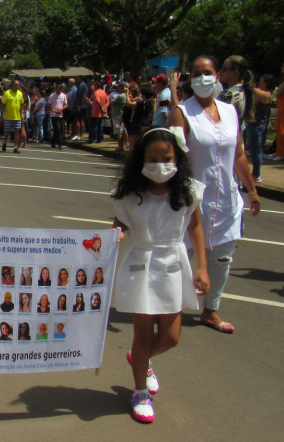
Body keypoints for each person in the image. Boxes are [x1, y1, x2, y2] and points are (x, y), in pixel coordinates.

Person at [111, 127, 210, 423]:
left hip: (173, 263)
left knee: (171, 336)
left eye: (166, 158)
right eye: (151, 158)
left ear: (177, 157)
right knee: (142, 334)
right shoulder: (129, 195)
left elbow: (195, 226)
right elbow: (120, 224)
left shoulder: (188, 191)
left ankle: (141, 359)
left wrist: (202, 266)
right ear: (140, 159)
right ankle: (140, 389)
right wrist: (114, 235)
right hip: (141, 263)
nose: (159, 164)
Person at [169, 56, 261, 334]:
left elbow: (239, 154)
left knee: (222, 259)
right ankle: (168, 309)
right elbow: (173, 158)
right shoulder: (182, 113)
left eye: (207, 72)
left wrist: (252, 190)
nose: (202, 78)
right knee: (179, 257)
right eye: (196, 74)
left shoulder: (230, 111)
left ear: (217, 75)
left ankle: (210, 309)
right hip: (192, 200)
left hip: (227, 199)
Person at [245, 74, 275, 183]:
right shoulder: (262, 94)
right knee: (254, 150)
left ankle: (256, 175)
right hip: (255, 125)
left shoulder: (266, 94)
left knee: (255, 151)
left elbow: (252, 89)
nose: (259, 82)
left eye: (261, 80)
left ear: (266, 83)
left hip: (257, 126)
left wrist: (247, 82)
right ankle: (255, 173)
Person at [1, 80, 26, 153]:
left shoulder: (20, 94)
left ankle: (15, 147)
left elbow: (22, 104)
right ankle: (5, 142)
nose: (17, 86)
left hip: (17, 116)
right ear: (12, 85)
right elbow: (3, 105)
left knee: (17, 131)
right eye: (16, 85)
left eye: (18, 85)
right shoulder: (7, 93)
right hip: (9, 116)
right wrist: (3, 114)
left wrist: (22, 113)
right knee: (7, 132)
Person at [88, 78, 109, 143]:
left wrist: (101, 108)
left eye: (94, 86)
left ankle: (92, 139)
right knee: (100, 126)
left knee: (93, 126)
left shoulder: (96, 93)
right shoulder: (103, 92)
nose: (93, 87)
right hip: (101, 113)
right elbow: (108, 101)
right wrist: (104, 108)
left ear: (96, 86)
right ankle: (100, 138)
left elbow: (98, 101)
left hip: (96, 113)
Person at [48, 84, 67, 149]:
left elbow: (66, 104)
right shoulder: (52, 96)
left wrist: (61, 109)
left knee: (58, 129)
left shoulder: (63, 95)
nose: (60, 90)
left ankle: (53, 142)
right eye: (59, 88)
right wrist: (52, 110)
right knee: (58, 128)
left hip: (60, 114)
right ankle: (60, 143)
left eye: (61, 89)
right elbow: (48, 105)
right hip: (53, 115)